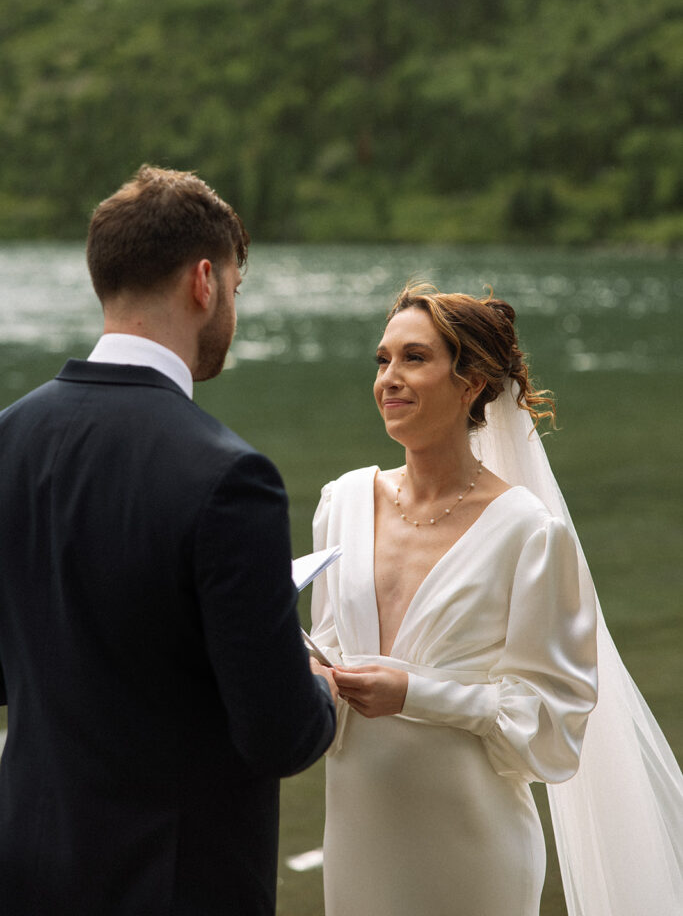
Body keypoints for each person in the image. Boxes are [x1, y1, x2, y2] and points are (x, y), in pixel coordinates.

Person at [0, 165, 337, 916]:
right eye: (238, 292)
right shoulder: (229, 476)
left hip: (25, 867)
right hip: (175, 884)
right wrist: (320, 689)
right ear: (205, 281)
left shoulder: (9, 436)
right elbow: (278, 737)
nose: (232, 311)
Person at [310, 282, 683, 916]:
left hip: (473, 851)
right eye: (383, 359)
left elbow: (553, 724)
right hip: (356, 837)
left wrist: (414, 694)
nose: (389, 379)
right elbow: (329, 656)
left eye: (414, 359)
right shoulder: (340, 504)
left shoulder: (529, 531)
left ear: (471, 383)